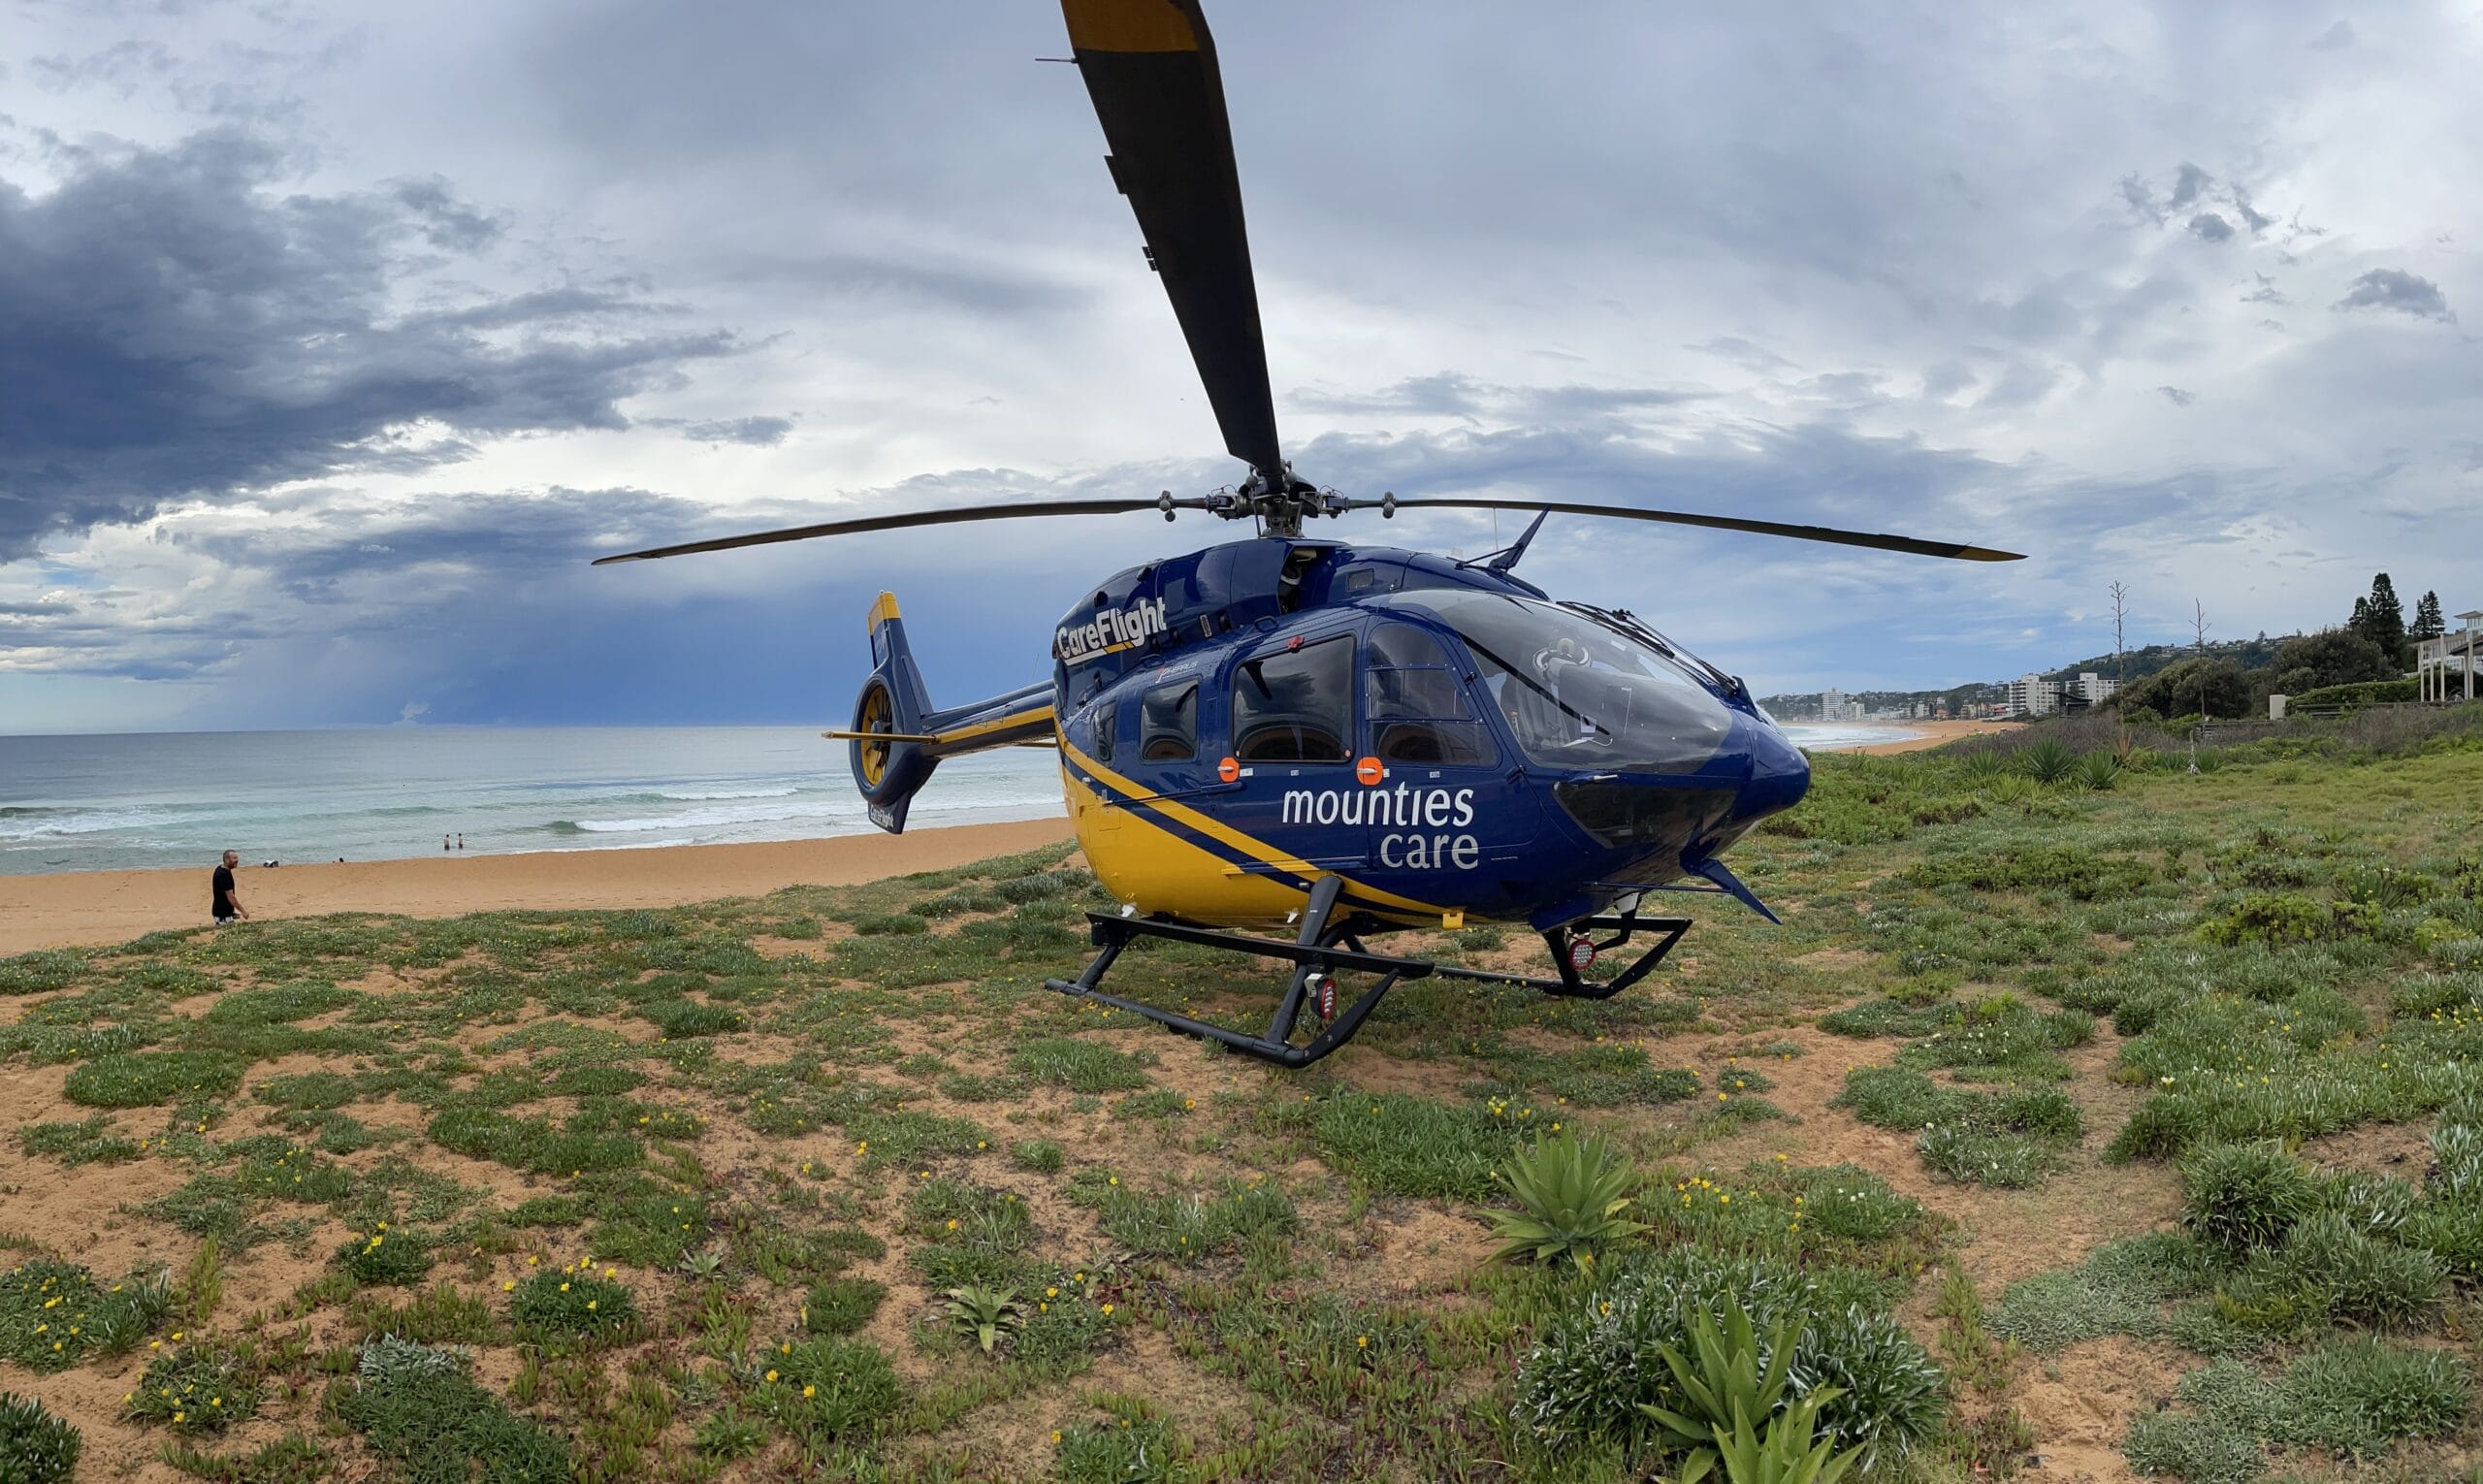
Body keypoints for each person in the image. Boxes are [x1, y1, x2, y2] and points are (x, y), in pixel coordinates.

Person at [211, 851, 249, 925]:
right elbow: (231, 897)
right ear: (227, 860)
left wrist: (232, 911)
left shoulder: (223, 870)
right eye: (234, 858)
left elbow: (223, 895)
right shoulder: (223, 874)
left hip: (225, 912)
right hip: (222, 914)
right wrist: (243, 911)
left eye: (237, 858)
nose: (237, 860)